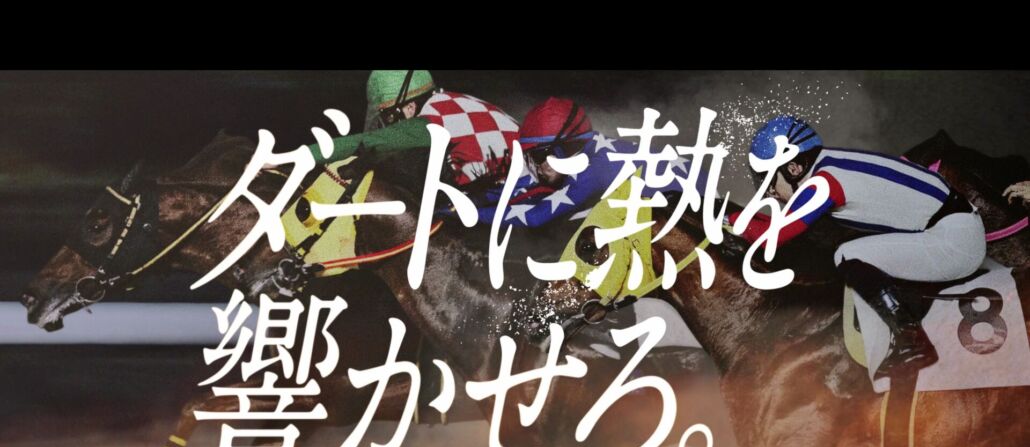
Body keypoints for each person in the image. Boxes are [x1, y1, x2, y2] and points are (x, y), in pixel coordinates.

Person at [735, 115, 987, 378]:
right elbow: (781, 225)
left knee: (848, 254)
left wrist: (725, 219)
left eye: (768, 179)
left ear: (794, 168)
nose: (769, 192)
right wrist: (731, 217)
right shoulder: (829, 165)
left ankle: (912, 340)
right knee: (853, 255)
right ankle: (896, 346)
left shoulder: (824, 184)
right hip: (954, 228)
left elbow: (772, 237)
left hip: (955, 242)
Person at [476, 97, 693, 228]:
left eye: (540, 156)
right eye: (532, 156)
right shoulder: (583, 148)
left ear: (565, 149)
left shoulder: (593, 169)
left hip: (699, 205)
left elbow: (534, 217)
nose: (538, 166)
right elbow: (533, 187)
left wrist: (471, 215)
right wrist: (482, 196)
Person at [311, 70, 520, 189]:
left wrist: (301, 156)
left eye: (389, 116)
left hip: (512, 196)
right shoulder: (457, 101)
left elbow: (368, 141)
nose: (390, 125)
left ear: (410, 107)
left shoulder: (429, 123)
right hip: (522, 183)